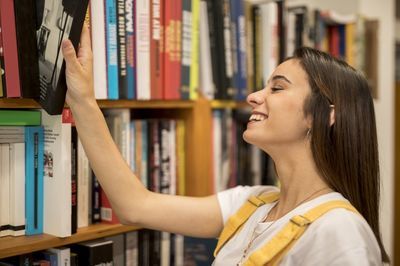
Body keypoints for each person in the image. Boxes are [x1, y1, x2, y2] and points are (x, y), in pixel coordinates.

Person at [62, 25, 389, 265]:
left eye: (277, 88)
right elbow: (134, 206)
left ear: (323, 116)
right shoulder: (250, 204)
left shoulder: (339, 232)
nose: (253, 97)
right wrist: (82, 101)